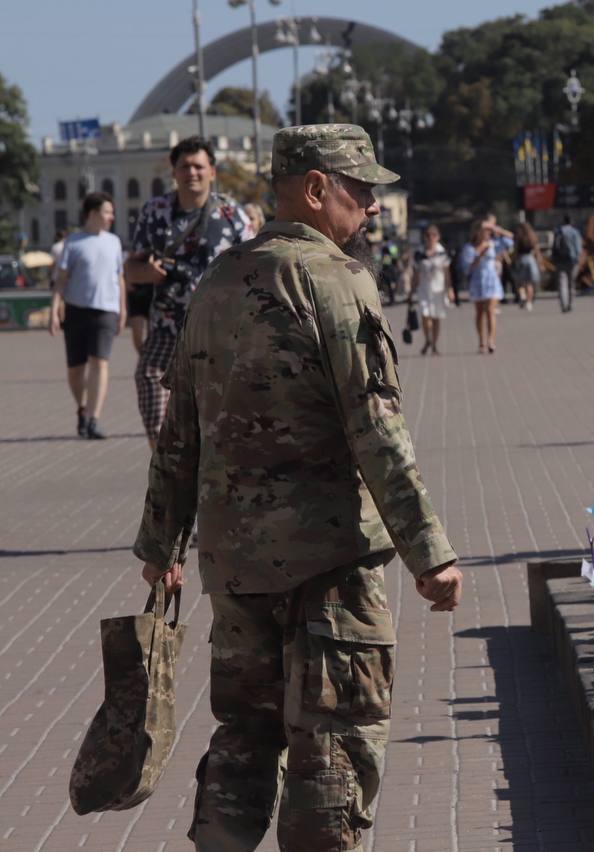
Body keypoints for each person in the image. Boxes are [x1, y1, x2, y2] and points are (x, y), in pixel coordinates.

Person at [132, 123, 462, 852]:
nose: (373, 207)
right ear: (317, 189)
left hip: (237, 568)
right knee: (334, 745)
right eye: (362, 189)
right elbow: (377, 431)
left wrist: (161, 543)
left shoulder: (216, 284)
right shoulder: (336, 282)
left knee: (244, 736)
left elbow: (178, 432)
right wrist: (429, 551)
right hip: (331, 565)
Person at [125, 136, 251, 450]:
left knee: (220, 407)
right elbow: (131, 269)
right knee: (149, 379)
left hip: (220, 331)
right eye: (184, 166)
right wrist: (148, 274)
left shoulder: (231, 215)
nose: (191, 172)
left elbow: (255, 268)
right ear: (174, 172)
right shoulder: (155, 212)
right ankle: (164, 457)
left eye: (198, 166)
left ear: (213, 171)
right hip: (169, 327)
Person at [49, 192, 125, 440]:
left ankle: (93, 419)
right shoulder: (73, 242)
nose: (111, 217)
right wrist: (54, 311)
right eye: (107, 212)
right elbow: (60, 281)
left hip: (106, 310)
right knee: (75, 369)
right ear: (92, 214)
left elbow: (120, 278)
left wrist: (123, 309)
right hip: (76, 310)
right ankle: (82, 408)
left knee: (100, 362)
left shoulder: (114, 241)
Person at [460, 217, 512, 353]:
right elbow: (467, 268)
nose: (486, 233)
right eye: (484, 231)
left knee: (490, 311)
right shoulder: (469, 248)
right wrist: (479, 255)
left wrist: (495, 228)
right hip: (477, 281)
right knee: (479, 313)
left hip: (491, 280)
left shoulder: (493, 244)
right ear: (477, 232)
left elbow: (510, 239)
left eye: (488, 231)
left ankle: (491, 341)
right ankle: (481, 341)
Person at [411, 224, 452, 355]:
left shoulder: (442, 253)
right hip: (424, 288)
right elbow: (416, 273)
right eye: (428, 235)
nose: (430, 238)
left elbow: (446, 272)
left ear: (438, 237)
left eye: (433, 235)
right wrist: (411, 291)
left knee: (436, 317)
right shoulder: (419, 253)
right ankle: (427, 339)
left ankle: (434, 344)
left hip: (438, 289)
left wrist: (450, 289)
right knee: (425, 315)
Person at [551, 214, 583, 312]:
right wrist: (578, 258)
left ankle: (563, 304)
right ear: (571, 222)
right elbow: (578, 247)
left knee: (562, 282)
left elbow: (554, 247)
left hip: (560, 260)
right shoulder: (575, 232)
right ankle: (570, 304)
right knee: (571, 283)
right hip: (572, 260)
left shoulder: (558, 232)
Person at [512, 221, 546, 310]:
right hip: (530, 259)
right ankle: (529, 303)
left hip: (521, 259)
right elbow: (537, 251)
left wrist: (513, 260)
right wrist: (540, 263)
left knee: (520, 282)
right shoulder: (532, 236)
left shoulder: (518, 237)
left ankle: (522, 295)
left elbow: (515, 251)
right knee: (530, 283)